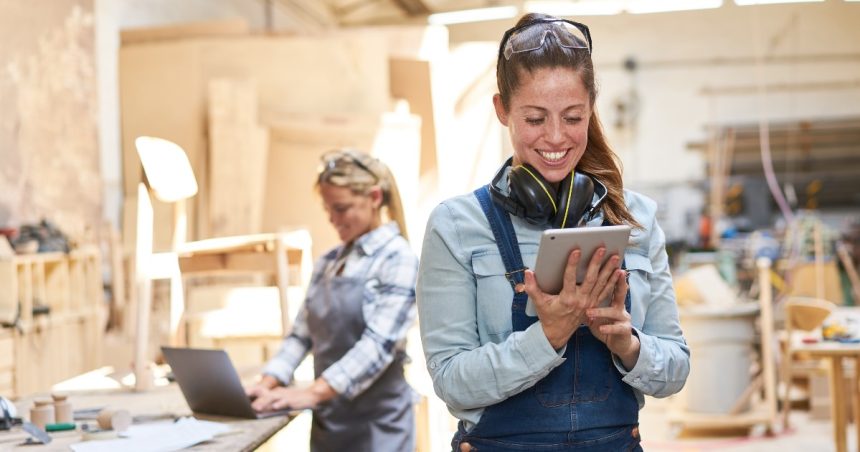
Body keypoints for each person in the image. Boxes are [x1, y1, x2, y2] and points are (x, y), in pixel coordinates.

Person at [416, 13, 690, 451]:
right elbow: (451, 382)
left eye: (573, 116)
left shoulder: (634, 218)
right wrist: (547, 336)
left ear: (591, 109)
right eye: (536, 118)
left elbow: (675, 369)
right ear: (502, 111)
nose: (557, 137)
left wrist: (628, 343)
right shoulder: (456, 226)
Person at [247, 149, 419, 451]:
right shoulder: (328, 262)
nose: (332, 219)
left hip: (378, 430)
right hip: (330, 426)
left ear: (375, 197)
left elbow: (377, 345)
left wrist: (312, 393)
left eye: (341, 208)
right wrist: (268, 381)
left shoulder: (398, 259)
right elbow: (301, 335)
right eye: (328, 209)